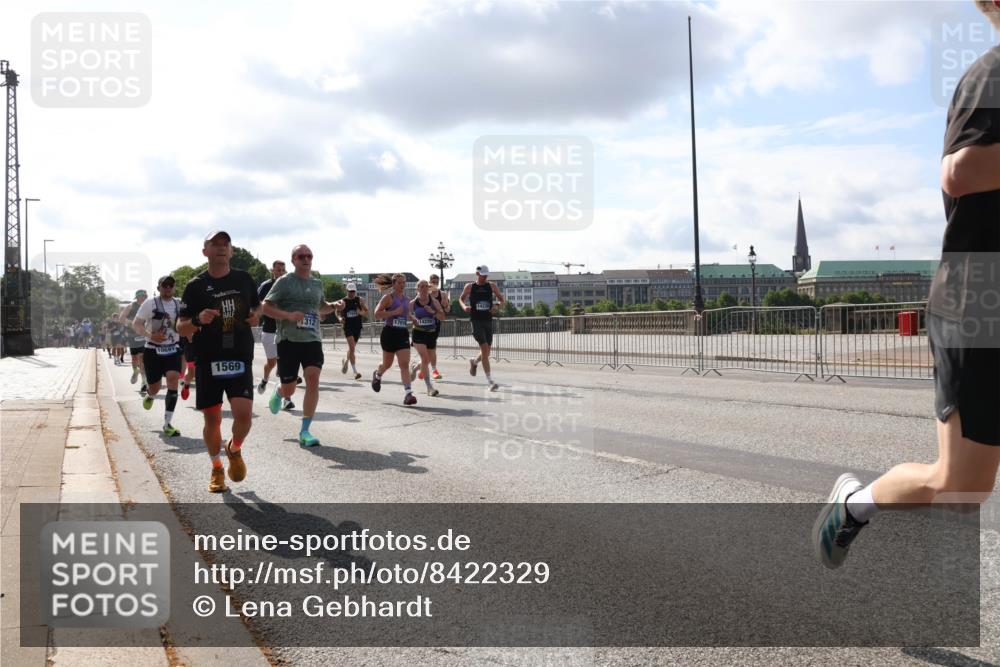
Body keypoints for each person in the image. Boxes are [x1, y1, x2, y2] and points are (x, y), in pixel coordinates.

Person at [813, 1, 1000, 569]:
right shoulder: (993, 74)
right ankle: (854, 505)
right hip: (981, 305)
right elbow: (961, 171)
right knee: (961, 487)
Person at [177, 231, 261, 494]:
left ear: (232, 251)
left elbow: (258, 307)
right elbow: (180, 327)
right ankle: (216, 468)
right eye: (215, 244)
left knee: (244, 415)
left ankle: (234, 448)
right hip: (208, 358)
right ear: (205, 251)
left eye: (226, 245)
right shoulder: (195, 286)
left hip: (239, 355)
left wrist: (256, 317)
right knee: (212, 420)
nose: (222, 248)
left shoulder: (244, 279)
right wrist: (198, 319)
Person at [261, 245, 337, 447]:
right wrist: (288, 316)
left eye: (309, 256)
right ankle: (279, 391)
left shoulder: (317, 283)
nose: (306, 259)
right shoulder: (284, 282)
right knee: (289, 390)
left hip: (312, 339)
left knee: (313, 379)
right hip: (288, 340)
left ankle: (305, 430)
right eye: (301, 256)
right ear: (293, 260)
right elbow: (265, 307)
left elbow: (320, 306)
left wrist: (334, 306)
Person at [133, 275, 184, 436]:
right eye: (164, 285)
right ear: (159, 288)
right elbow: (136, 324)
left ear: (174, 287)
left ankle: (167, 423)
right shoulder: (150, 304)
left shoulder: (179, 303)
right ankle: (150, 395)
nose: (168, 288)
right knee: (155, 387)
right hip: (153, 350)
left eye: (171, 285)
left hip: (172, 348)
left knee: (173, 378)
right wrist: (151, 335)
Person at [371, 273, 417, 405]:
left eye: (404, 283)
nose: (402, 285)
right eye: (399, 283)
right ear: (394, 284)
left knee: (404, 364)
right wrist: (393, 312)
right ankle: (378, 375)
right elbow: (376, 314)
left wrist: (412, 318)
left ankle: (408, 394)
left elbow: (405, 313)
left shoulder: (407, 300)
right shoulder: (388, 298)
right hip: (389, 333)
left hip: (402, 333)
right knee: (387, 364)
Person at [459, 265, 504, 391]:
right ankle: (490, 382)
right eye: (483, 275)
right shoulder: (470, 286)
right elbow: (461, 299)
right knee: (484, 350)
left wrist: (497, 306)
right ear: (477, 274)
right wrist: (464, 307)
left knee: (487, 352)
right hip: (476, 321)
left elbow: (501, 300)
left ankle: (474, 362)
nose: (485, 277)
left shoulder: (492, 286)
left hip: (488, 320)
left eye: (486, 275)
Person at [408, 279, 446, 396]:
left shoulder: (434, 302)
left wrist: (433, 312)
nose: (424, 289)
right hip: (418, 333)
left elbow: (442, 317)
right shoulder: (413, 303)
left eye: (426, 286)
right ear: (417, 289)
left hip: (431, 333)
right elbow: (408, 315)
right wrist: (413, 319)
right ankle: (429, 387)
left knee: (427, 360)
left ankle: (414, 368)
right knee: (425, 359)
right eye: (421, 286)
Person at [256, 260, 286, 394]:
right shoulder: (265, 286)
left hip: (286, 330)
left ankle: (286, 398)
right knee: (272, 363)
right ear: (272, 270)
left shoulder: (288, 286)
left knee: (284, 363)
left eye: (282, 270)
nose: (280, 273)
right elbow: (256, 305)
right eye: (277, 270)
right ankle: (265, 380)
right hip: (269, 330)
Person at [418, 273, 449, 381]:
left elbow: (447, 310)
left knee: (432, 349)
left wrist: (446, 305)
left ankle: (433, 370)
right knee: (426, 351)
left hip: (435, 323)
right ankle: (420, 367)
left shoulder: (443, 294)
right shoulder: (425, 293)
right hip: (423, 324)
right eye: (433, 279)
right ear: (429, 281)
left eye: (437, 279)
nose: (435, 281)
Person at [334, 282, 368, 380]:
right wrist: (340, 318)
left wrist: (360, 312)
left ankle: (346, 361)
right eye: (350, 291)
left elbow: (366, 312)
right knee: (352, 348)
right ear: (347, 291)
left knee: (352, 348)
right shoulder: (343, 301)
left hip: (357, 327)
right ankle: (355, 372)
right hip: (347, 326)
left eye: (353, 291)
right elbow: (337, 311)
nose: (352, 293)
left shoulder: (360, 300)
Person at [120, 290, 150, 395]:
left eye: (144, 296)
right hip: (132, 335)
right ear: (136, 297)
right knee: (134, 358)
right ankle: (135, 371)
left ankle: (144, 382)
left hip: (143, 334)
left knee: (142, 358)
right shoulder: (131, 306)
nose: (142, 298)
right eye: (140, 296)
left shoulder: (148, 305)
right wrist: (131, 323)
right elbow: (121, 318)